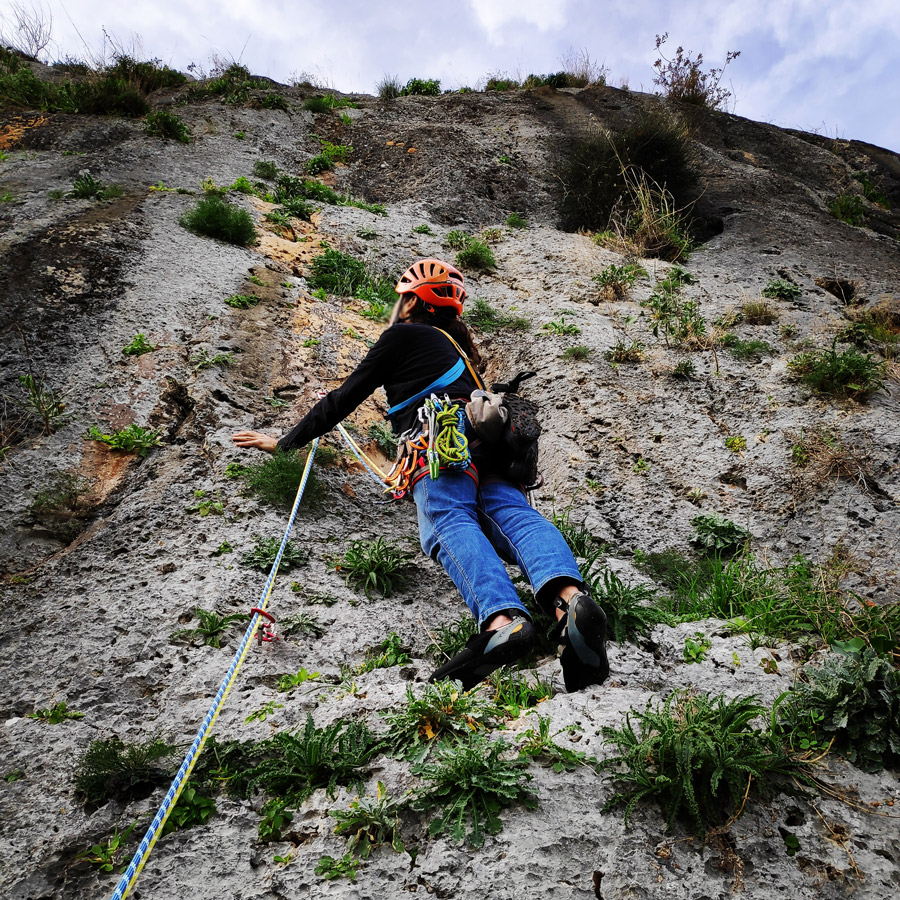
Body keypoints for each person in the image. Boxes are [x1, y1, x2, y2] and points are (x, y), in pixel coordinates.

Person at [233, 257, 608, 692]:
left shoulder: (402, 334)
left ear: (411, 301)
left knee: (448, 520)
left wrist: (284, 442)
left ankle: (503, 620)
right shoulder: (459, 350)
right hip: (492, 445)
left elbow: (345, 397)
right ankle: (569, 602)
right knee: (516, 517)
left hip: (441, 438)